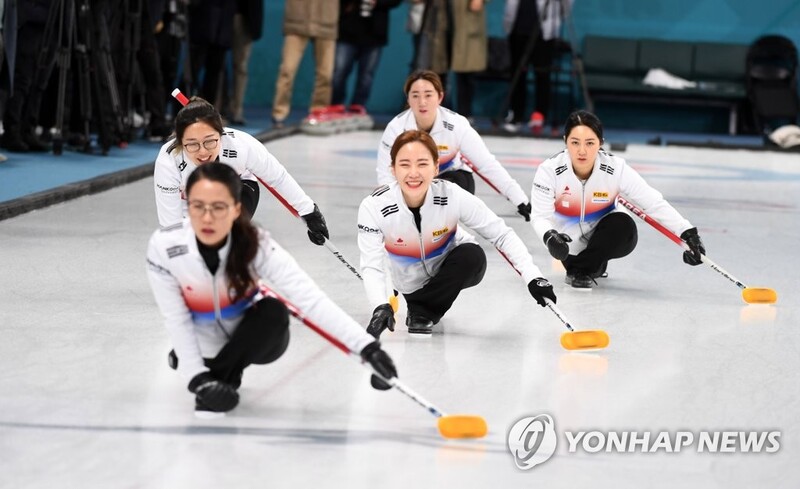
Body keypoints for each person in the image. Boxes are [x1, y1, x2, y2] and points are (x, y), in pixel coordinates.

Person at [146, 163, 398, 417]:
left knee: (273, 312)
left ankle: (218, 373)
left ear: (236, 209)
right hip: (201, 333)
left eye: (219, 207)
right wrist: (196, 378)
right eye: (198, 206)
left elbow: (310, 300)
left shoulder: (257, 244)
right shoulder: (164, 247)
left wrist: (369, 349)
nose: (207, 217)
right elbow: (175, 317)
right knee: (194, 349)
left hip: (252, 336)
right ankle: (202, 365)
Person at [360, 130, 556, 337]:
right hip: (409, 282)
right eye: (405, 164)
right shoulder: (374, 206)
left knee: (472, 256)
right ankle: (420, 305)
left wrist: (534, 276)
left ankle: (421, 311)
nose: (414, 173)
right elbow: (372, 264)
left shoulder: (451, 194)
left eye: (423, 164)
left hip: (454, 266)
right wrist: (380, 305)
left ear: (436, 168)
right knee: (409, 286)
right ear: (393, 169)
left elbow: (501, 234)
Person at [530, 110, 706, 289]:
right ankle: (589, 264)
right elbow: (539, 216)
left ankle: (584, 268)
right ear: (565, 141)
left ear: (600, 143)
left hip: (603, 235)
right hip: (567, 244)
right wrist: (549, 237)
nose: (582, 151)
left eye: (590, 143)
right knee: (582, 261)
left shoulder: (616, 168)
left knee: (623, 225)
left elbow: (652, 201)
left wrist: (687, 233)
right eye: (575, 143)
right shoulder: (549, 170)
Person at [153, 96, 330, 247]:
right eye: (192, 144)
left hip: (238, 190)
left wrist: (309, 212)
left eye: (210, 141)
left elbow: (277, 178)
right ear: (180, 141)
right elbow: (171, 224)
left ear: (221, 134)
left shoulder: (243, 145)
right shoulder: (168, 161)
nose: (202, 152)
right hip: (189, 202)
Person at [377, 70, 532, 221]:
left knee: (446, 195)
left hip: (452, 178)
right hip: (413, 181)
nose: (422, 102)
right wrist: (392, 207)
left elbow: (486, 164)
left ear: (440, 97)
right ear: (408, 99)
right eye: (415, 96)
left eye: (428, 95)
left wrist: (519, 199)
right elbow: (385, 173)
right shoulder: (395, 128)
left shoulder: (456, 125)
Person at [502, 0, 572, 134]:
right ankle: (516, 115)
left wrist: (556, 18)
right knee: (517, 75)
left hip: (543, 32)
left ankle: (539, 116)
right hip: (518, 28)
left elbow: (566, 4)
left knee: (542, 75)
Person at [271, 0, 339, 127]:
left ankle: (318, 112)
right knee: (287, 70)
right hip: (297, 21)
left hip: (326, 22)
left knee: (326, 74)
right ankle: (279, 113)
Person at [330, 0, 402, 116]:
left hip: (375, 33)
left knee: (366, 75)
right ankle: (335, 105)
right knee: (339, 71)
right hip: (347, 30)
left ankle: (357, 106)